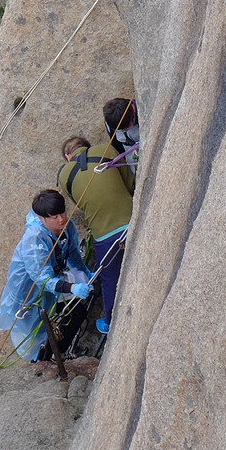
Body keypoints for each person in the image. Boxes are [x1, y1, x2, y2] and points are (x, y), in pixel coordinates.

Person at [57, 106, 136, 334]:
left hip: (104, 235)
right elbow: (129, 183)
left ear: (68, 157)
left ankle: (111, 322)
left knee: (109, 280)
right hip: (130, 217)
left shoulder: (65, 174)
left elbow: (79, 202)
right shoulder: (106, 150)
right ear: (87, 146)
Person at [0, 190, 92, 362]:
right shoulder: (34, 239)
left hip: (50, 286)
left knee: (76, 313)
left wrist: (85, 272)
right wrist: (72, 287)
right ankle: (46, 360)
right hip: (26, 294)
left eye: (62, 213)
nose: (61, 219)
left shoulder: (65, 227)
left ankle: (59, 353)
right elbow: (42, 278)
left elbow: (72, 253)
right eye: (54, 217)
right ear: (42, 218)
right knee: (36, 331)